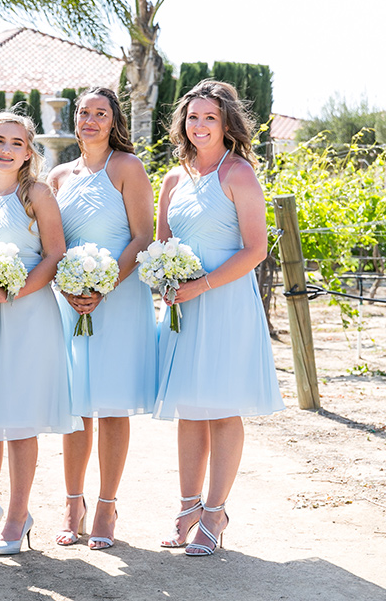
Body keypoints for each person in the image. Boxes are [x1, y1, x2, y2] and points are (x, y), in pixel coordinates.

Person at [154, 79, 284, 556]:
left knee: (222, 408)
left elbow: (255, 249)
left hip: (224, 303)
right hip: (182, 308)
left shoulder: (239, 175)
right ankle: (188, 506)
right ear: (182, 124)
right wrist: (164, 281)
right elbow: (161, 245)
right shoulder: (172, 180)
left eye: (210, 117)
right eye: (193, 117)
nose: (200, 125)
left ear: (226, 123)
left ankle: (215, 511)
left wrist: (200, 285)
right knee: (190, 407)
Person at [0, 110, 81, 556]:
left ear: (28, 153)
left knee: (20, 418)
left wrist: (11, 291)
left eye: (16, 143)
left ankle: (19, 515)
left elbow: (55, 253)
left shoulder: (37, 195)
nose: (6, 149)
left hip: (26, 315)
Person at [47, 87, 157, 550]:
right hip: (69, 300)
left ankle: (107, 506)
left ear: (114, 122)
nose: (90, 120)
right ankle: (74, 506)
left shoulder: (127, 168)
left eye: (100, 113)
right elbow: (50, 245)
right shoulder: (57, 176)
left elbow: (142, 235)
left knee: (110, 405)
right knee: (75, 406)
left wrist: (104, 284)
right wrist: (68, 285)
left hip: (119, 297)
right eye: (83, 113)